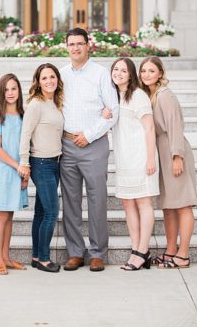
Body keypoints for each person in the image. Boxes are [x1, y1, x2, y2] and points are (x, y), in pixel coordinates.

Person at [59, 28, 119, 272]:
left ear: (88, 46)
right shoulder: (60, 74)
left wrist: (90, 134)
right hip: (66, 145)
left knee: (97, 199)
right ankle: (75, 252)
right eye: (71, 44)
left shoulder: (101, 74)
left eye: (80, 44)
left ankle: (97, 253)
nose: (75, 48)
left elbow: (113, 110)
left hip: (94, 145)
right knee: (70, 201)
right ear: (67, 47)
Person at [140, 56, 196, 269]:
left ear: (160, 73)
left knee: (182, 204)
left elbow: (175, 126)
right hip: (160, 153)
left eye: (151, 71)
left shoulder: (165, 95)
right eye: (143, 71)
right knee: (168, 206)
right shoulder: (150, 95)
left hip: (173, 150)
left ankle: (183, 254)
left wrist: (177, 156)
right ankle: (171, 250)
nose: (146, 75)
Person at [110, 57, 159, 271]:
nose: (118, 73)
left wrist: (150, 159)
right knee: (127, 204)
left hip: (141, 157)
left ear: (131, 74)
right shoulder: (113, 96)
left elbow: (149, 128)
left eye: (123, 70)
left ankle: (142, 250)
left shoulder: (138, 96)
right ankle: (136, 249)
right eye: (115, 69)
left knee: (143, 203)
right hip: (123, 159)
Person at [19, 63, 66, 273]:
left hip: (55, 163)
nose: (49, 81)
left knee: (40, 212)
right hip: (40, 163)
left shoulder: (55, 103)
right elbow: (25, 134)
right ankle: (44, 259)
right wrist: (24, 163)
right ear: (38, 82)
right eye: (44, 78)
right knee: (51, 212)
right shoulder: (36, 104)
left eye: (52, 77)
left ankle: (37, 256)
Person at [0, 73, 30, 275]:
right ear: (1, 93)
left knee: (10, 214)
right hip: (4, 171)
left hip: (19, 170)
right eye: (6, 89)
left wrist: (25, 171)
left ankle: (6, 256)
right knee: (2, 215)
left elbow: (26, 145)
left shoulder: (24, 115)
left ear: (19, 91)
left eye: (14, 88)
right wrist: (17, 166)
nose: (10, 93)